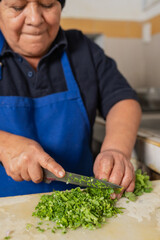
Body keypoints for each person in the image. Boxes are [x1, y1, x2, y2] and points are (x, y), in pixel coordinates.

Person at [0, 0, 141, 197]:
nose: (35, 19)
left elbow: (123, 100)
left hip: (80, 199)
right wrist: (3, 143)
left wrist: (116, 150)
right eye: (17, 7)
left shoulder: (83, 50)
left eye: (47, 5)